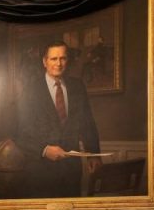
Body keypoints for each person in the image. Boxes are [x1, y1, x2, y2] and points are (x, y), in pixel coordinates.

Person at [16, 40, 102, 198]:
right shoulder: (30, 90)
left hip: (71, 171)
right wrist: (44, 150)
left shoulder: (77, 86)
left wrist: (93, 154)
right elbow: (20, 131)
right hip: (40, 173)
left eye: (63, 58)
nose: (59, 63)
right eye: (53, 59)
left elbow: (87, 123)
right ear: (44, 61)